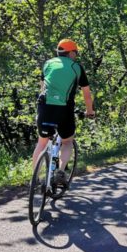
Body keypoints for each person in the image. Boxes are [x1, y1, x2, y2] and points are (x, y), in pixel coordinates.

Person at [32, 38, 95, 187]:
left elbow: (42, 88)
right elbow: (86, 94)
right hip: (64, 109)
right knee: (67, 141)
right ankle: (60, 172)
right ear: (71, 52)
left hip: (45, 106)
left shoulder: (47, 64)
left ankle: (34, 178)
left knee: (41, 142)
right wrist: (90, 111)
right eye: (76, 53)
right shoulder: (76, 67)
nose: (76, 55)